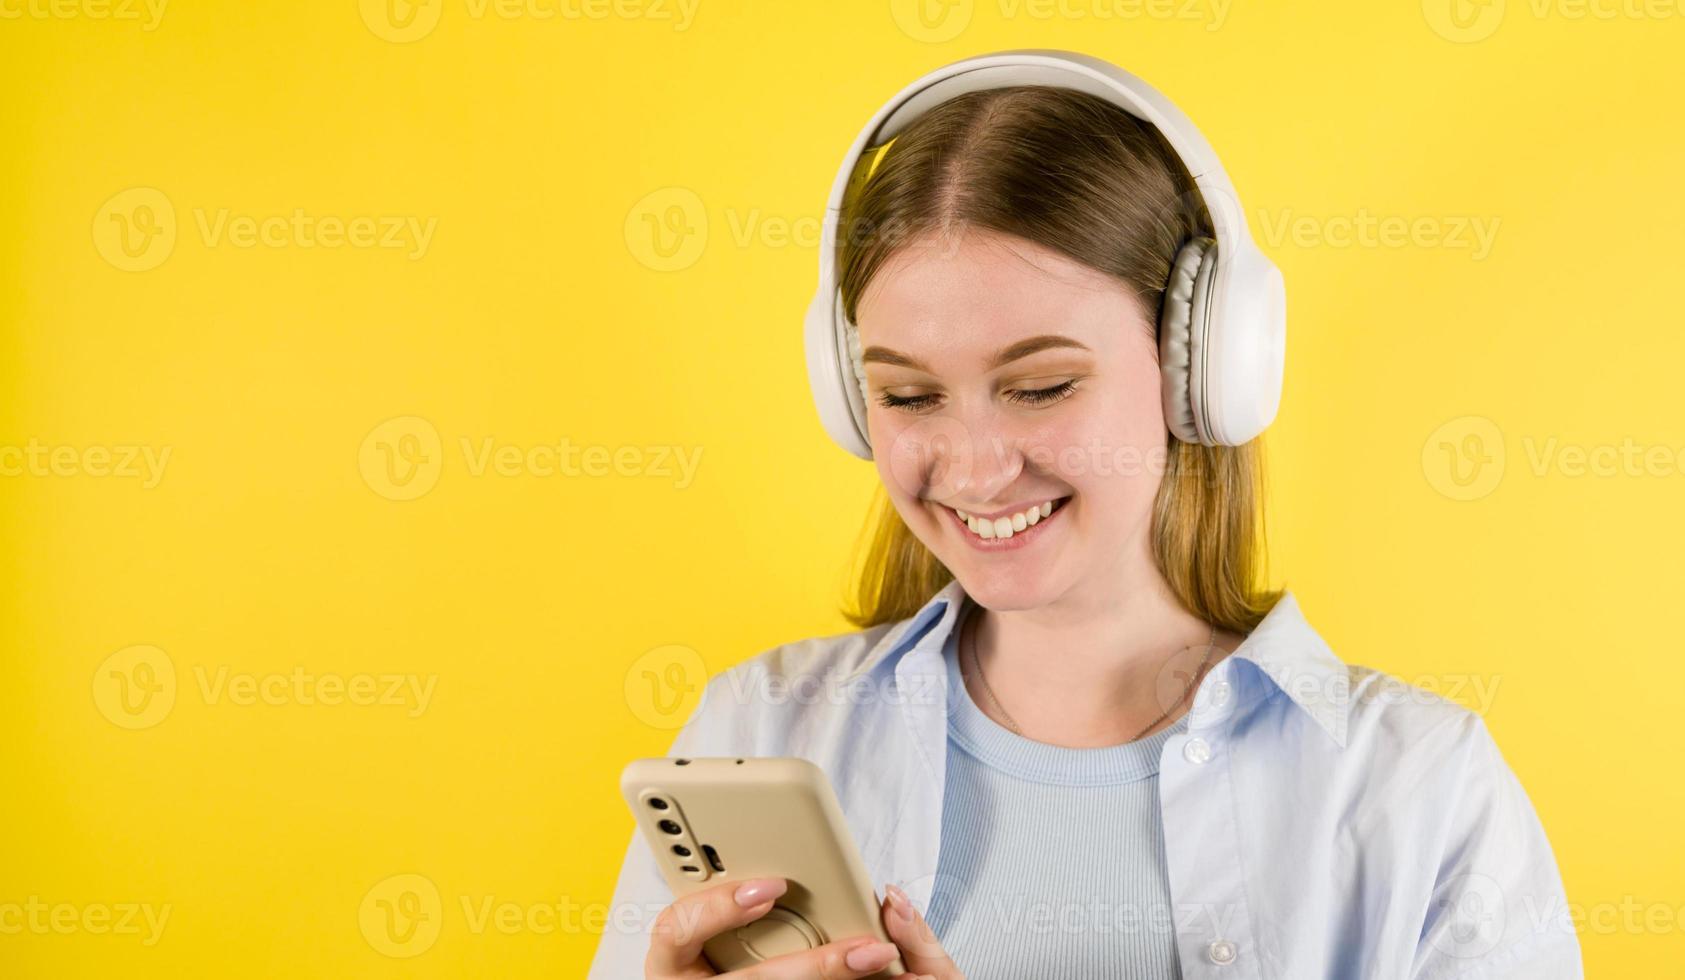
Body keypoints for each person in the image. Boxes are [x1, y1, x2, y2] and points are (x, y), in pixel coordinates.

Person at [590, 51, 1582, 979]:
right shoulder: (753, 734)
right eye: (906, 396)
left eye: (1040, 385)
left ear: (1199, 369)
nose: (975, 468)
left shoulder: (1419, 789)